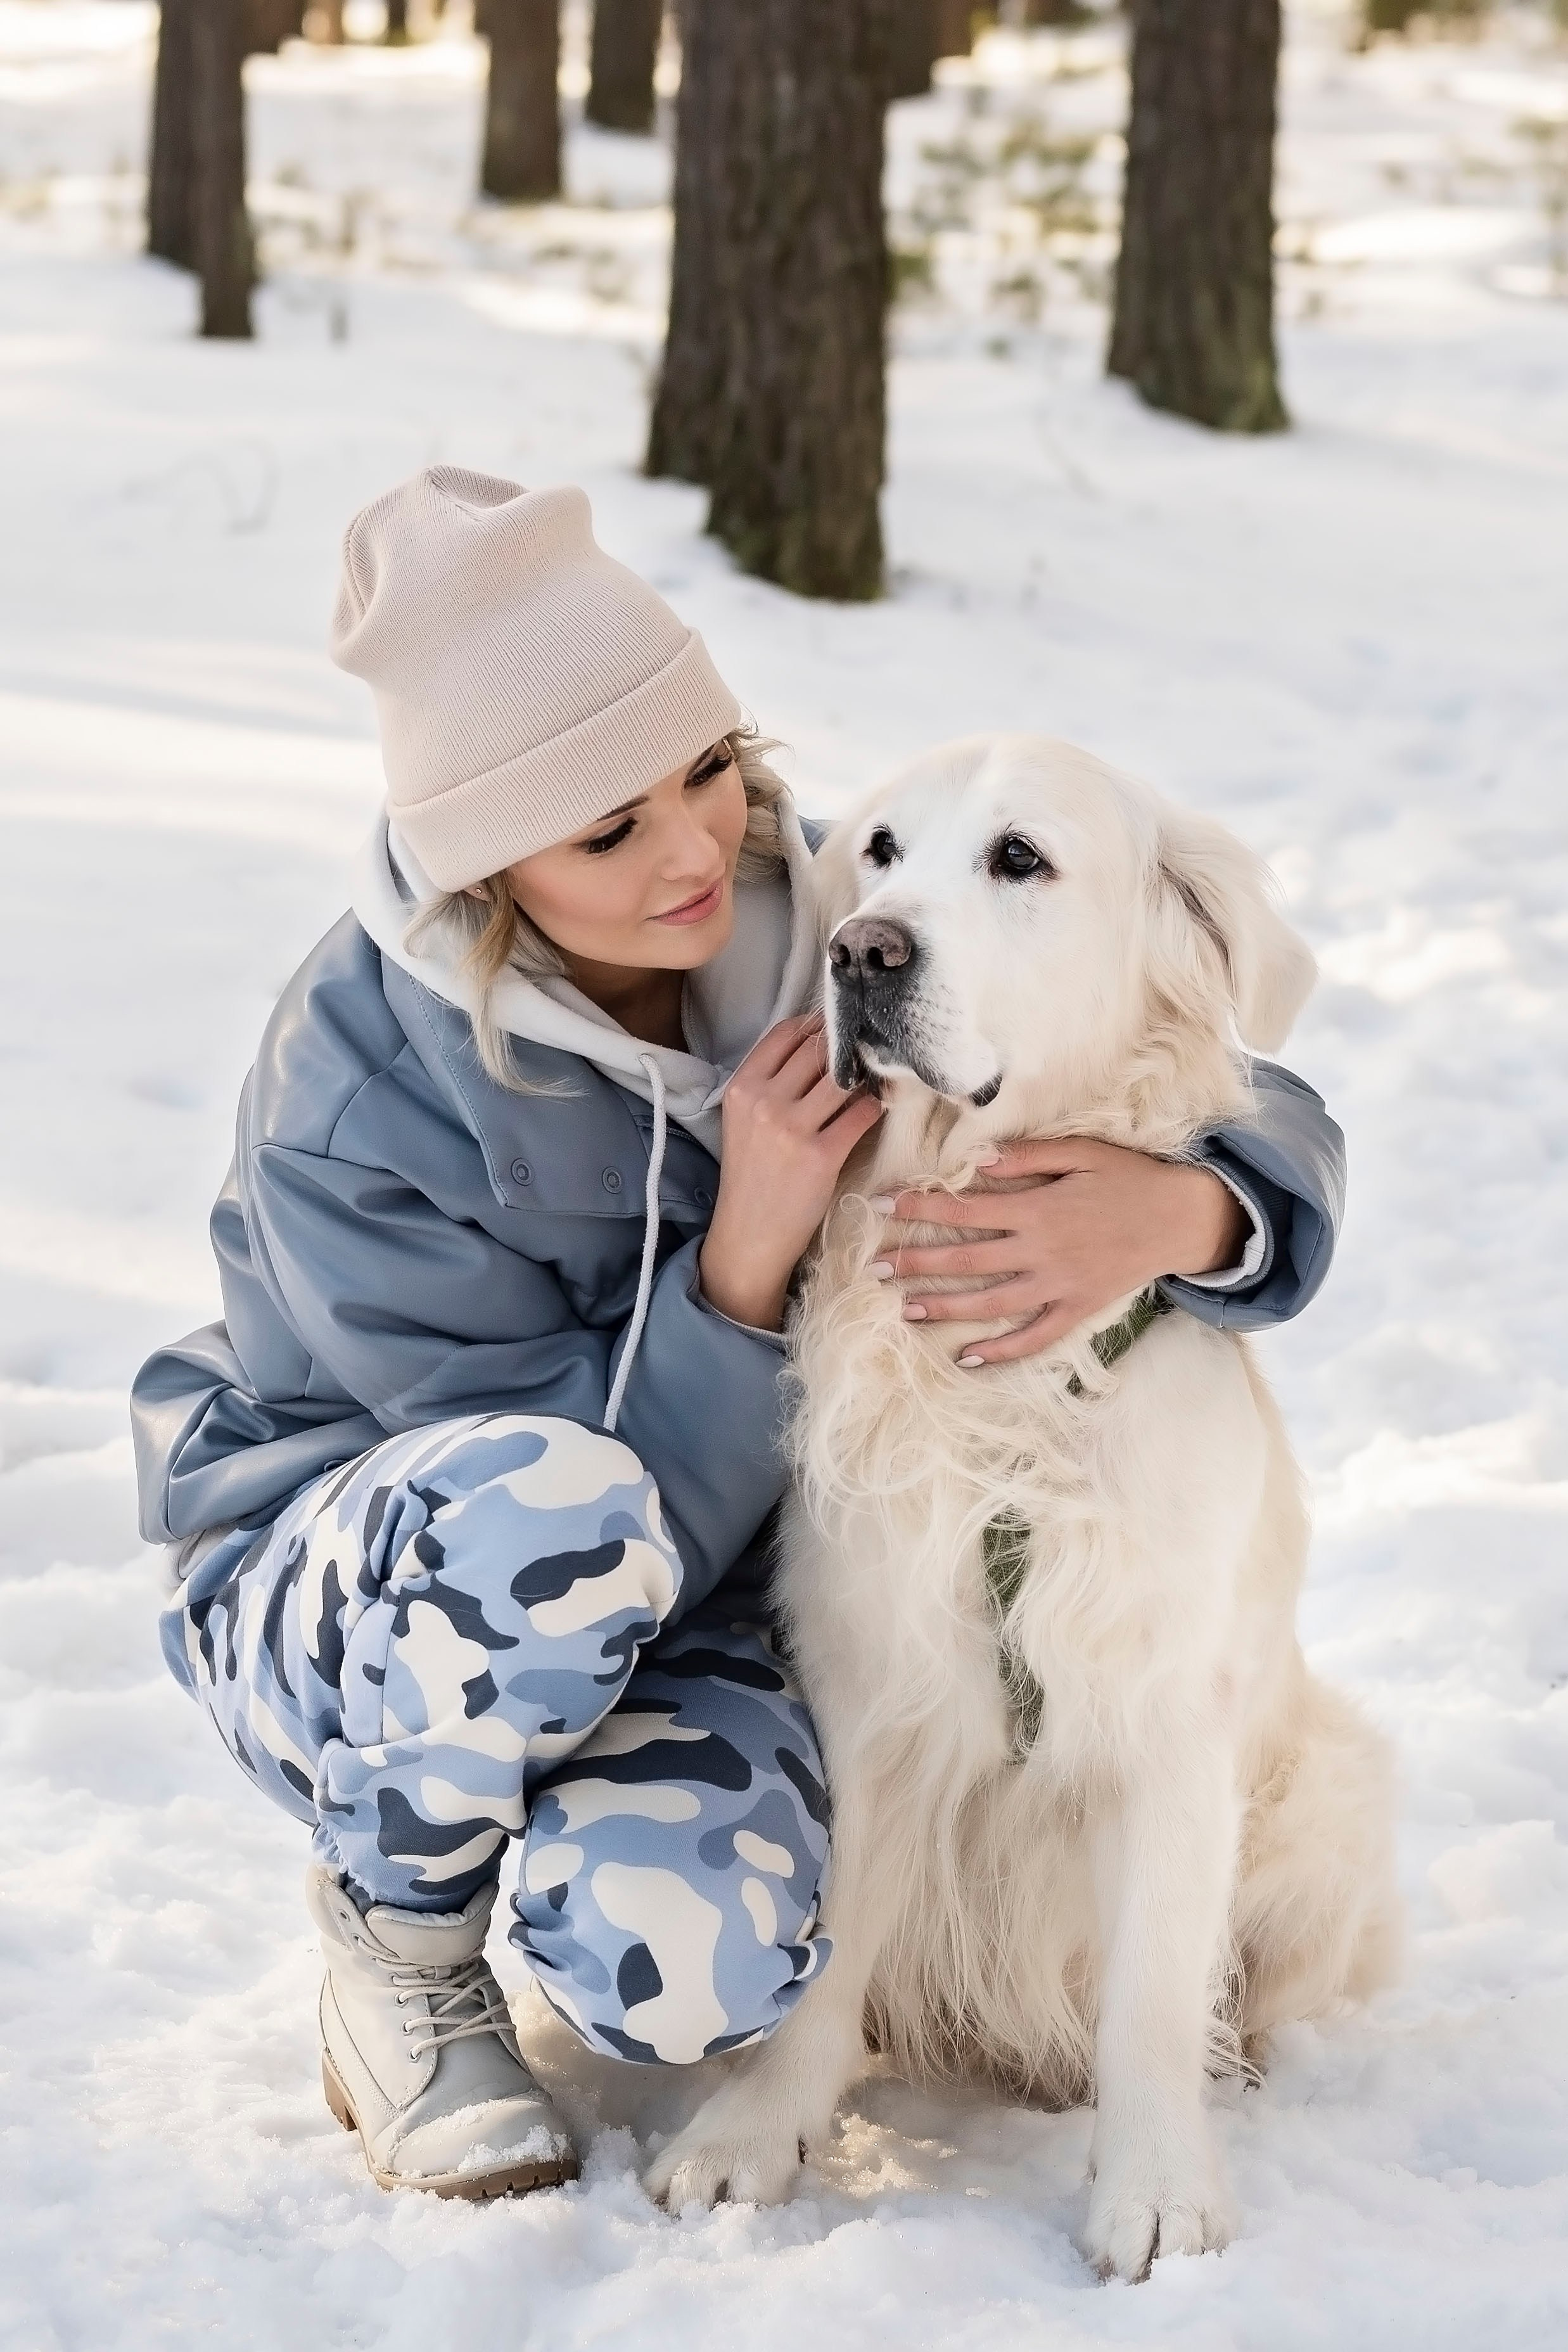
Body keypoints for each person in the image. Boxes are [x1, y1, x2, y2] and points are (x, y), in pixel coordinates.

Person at [131, 467, 1345, 2201]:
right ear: (487, 865)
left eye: (707, 772)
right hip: (374, 1588)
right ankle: (393, 1947)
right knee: (546, 1516)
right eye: (608, 831)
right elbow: (561, 1519)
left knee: (679, 1954)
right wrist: (747, 1263)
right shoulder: (359, 1093)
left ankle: (599, 1886)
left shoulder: (814, 904)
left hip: (679, 1593)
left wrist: (1193, 1208)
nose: (694, 848)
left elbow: (1151, 1011)